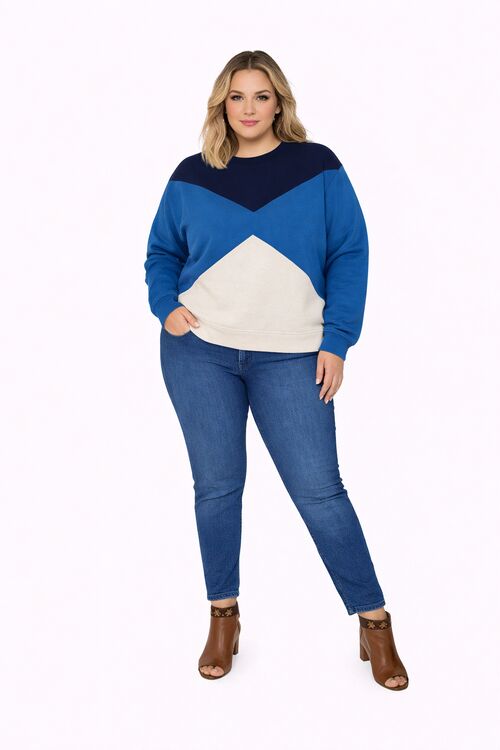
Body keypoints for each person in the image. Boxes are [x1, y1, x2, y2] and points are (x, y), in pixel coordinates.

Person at [144, 50, 408, 691]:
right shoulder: (191, 174)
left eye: (261, 96)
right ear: (222, 104)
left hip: (293, 353)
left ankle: (374, 622)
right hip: (200, 351)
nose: (249, 108)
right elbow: (162, 252)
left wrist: (337, 341)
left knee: (320, 492)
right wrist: (166, 307)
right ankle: (223, 616)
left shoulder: (317, 168)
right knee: (216, 489)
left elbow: (350, 252)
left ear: (279, 102)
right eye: (237, 97)